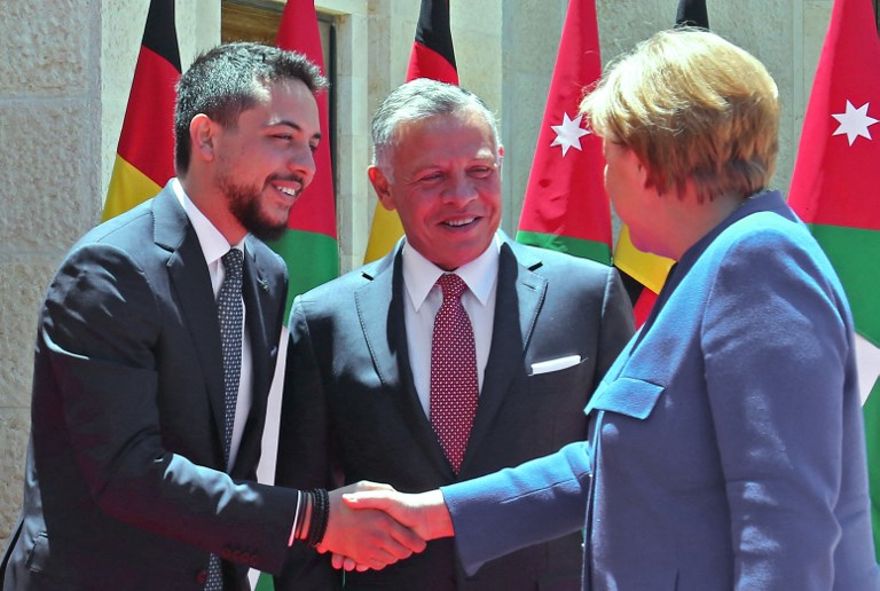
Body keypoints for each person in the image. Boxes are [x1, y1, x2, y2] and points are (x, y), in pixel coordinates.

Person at [342, 29, 880, 590]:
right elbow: (615, 465)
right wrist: (436, 512)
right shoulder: (711, 267)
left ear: (649, 160)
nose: (602, 178)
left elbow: (784, 528)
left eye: (609, 155)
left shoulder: (757, 265)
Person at [0, 42, 423, 591]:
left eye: (313, 145)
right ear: (205, 137)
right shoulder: (109, 270)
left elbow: (228, 456)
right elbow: (128, 472)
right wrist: (313, 517)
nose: (305, 166)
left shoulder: (266, 274)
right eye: (282, 138)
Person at [273, 78, 634, 591]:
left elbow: (626, 476)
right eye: (432, 178)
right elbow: (306, 517)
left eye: (480, 171)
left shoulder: (587, 296)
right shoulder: (326, 318)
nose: (461, 197)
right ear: (383, 186)